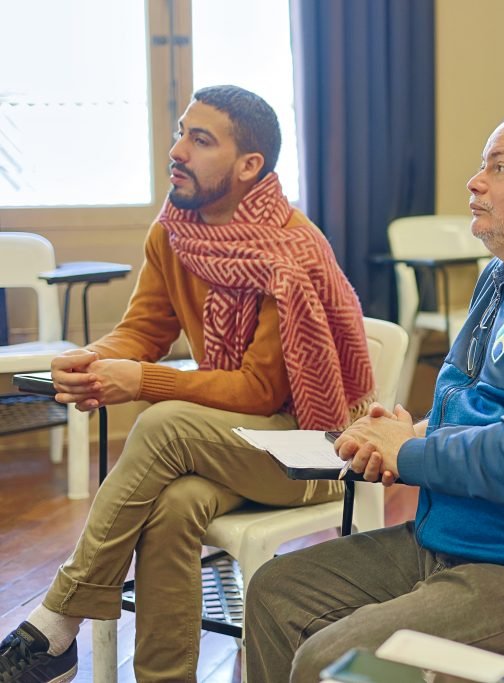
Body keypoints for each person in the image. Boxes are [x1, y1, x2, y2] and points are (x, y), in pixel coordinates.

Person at [243, 108, 504, 681]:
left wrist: (408, 452)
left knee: (335, 659)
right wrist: (409, 432)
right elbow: (475, 401)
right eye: (481, 166)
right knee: (279, 590)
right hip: (466, 540)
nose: (476, 182)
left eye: (500, 167)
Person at [0, 85, 374, 683]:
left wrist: (143, 382)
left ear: (249, 165)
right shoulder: (175, 231)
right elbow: (142, 330)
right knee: (174, 505)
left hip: (316, 448)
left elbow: (257, 391)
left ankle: (56, 619)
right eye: (181, 132)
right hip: (240, 446)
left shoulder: (289, 253)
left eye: (201, 140)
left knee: (163, 421)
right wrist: (93, 360)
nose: (177, 149)